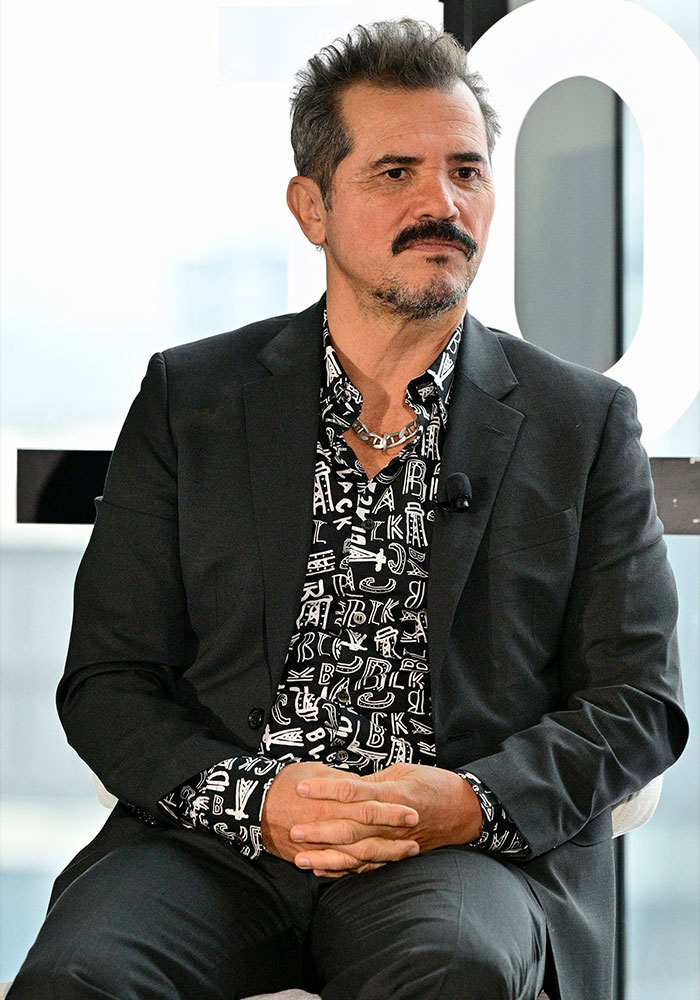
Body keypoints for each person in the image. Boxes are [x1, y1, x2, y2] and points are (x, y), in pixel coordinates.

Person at [9, 18, 686, 1000]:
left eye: (465, 170)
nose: (439, 202)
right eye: (395, 172)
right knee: (78, 978)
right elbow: (109, 681)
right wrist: (257, 799)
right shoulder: (191, 398)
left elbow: (637, 704)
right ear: (310, 205)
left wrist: (468, 801)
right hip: (221, 840)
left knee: (459, 970)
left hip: (458, 850)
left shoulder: (580, 423)